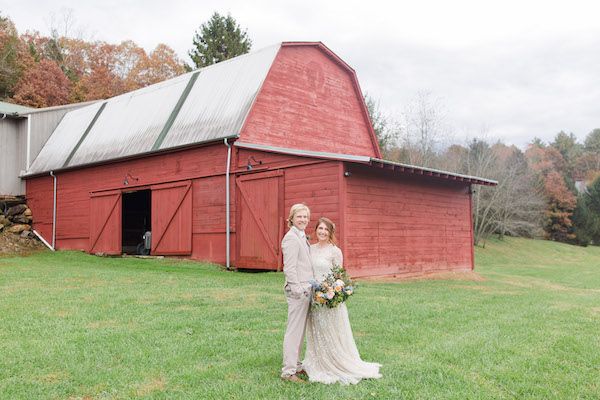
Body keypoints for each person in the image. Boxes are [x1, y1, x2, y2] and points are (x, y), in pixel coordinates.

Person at [302, 217, 382, 385]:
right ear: (315, 230)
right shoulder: (310, 249)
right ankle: (318, 361)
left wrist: (332, 292)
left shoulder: (335, 251)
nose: (322, 232)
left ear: (331, 233)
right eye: (320, 228)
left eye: (326, 230)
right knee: (317, 330)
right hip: (314, 297)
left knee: (332, 330)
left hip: (330, 298)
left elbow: (339, 276)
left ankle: (335, 361)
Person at [281, 203, 315, 383]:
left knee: (300, 331)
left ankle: (297, 365)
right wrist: (298, 290)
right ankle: (288, 372)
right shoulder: (291, 238)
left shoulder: (301, 236)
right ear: (292, 218)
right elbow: (290, 267)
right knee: (294, 331)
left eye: (305, 217)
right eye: (299, 216)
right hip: (298, 291)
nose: (303, 220)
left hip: (306, 289)